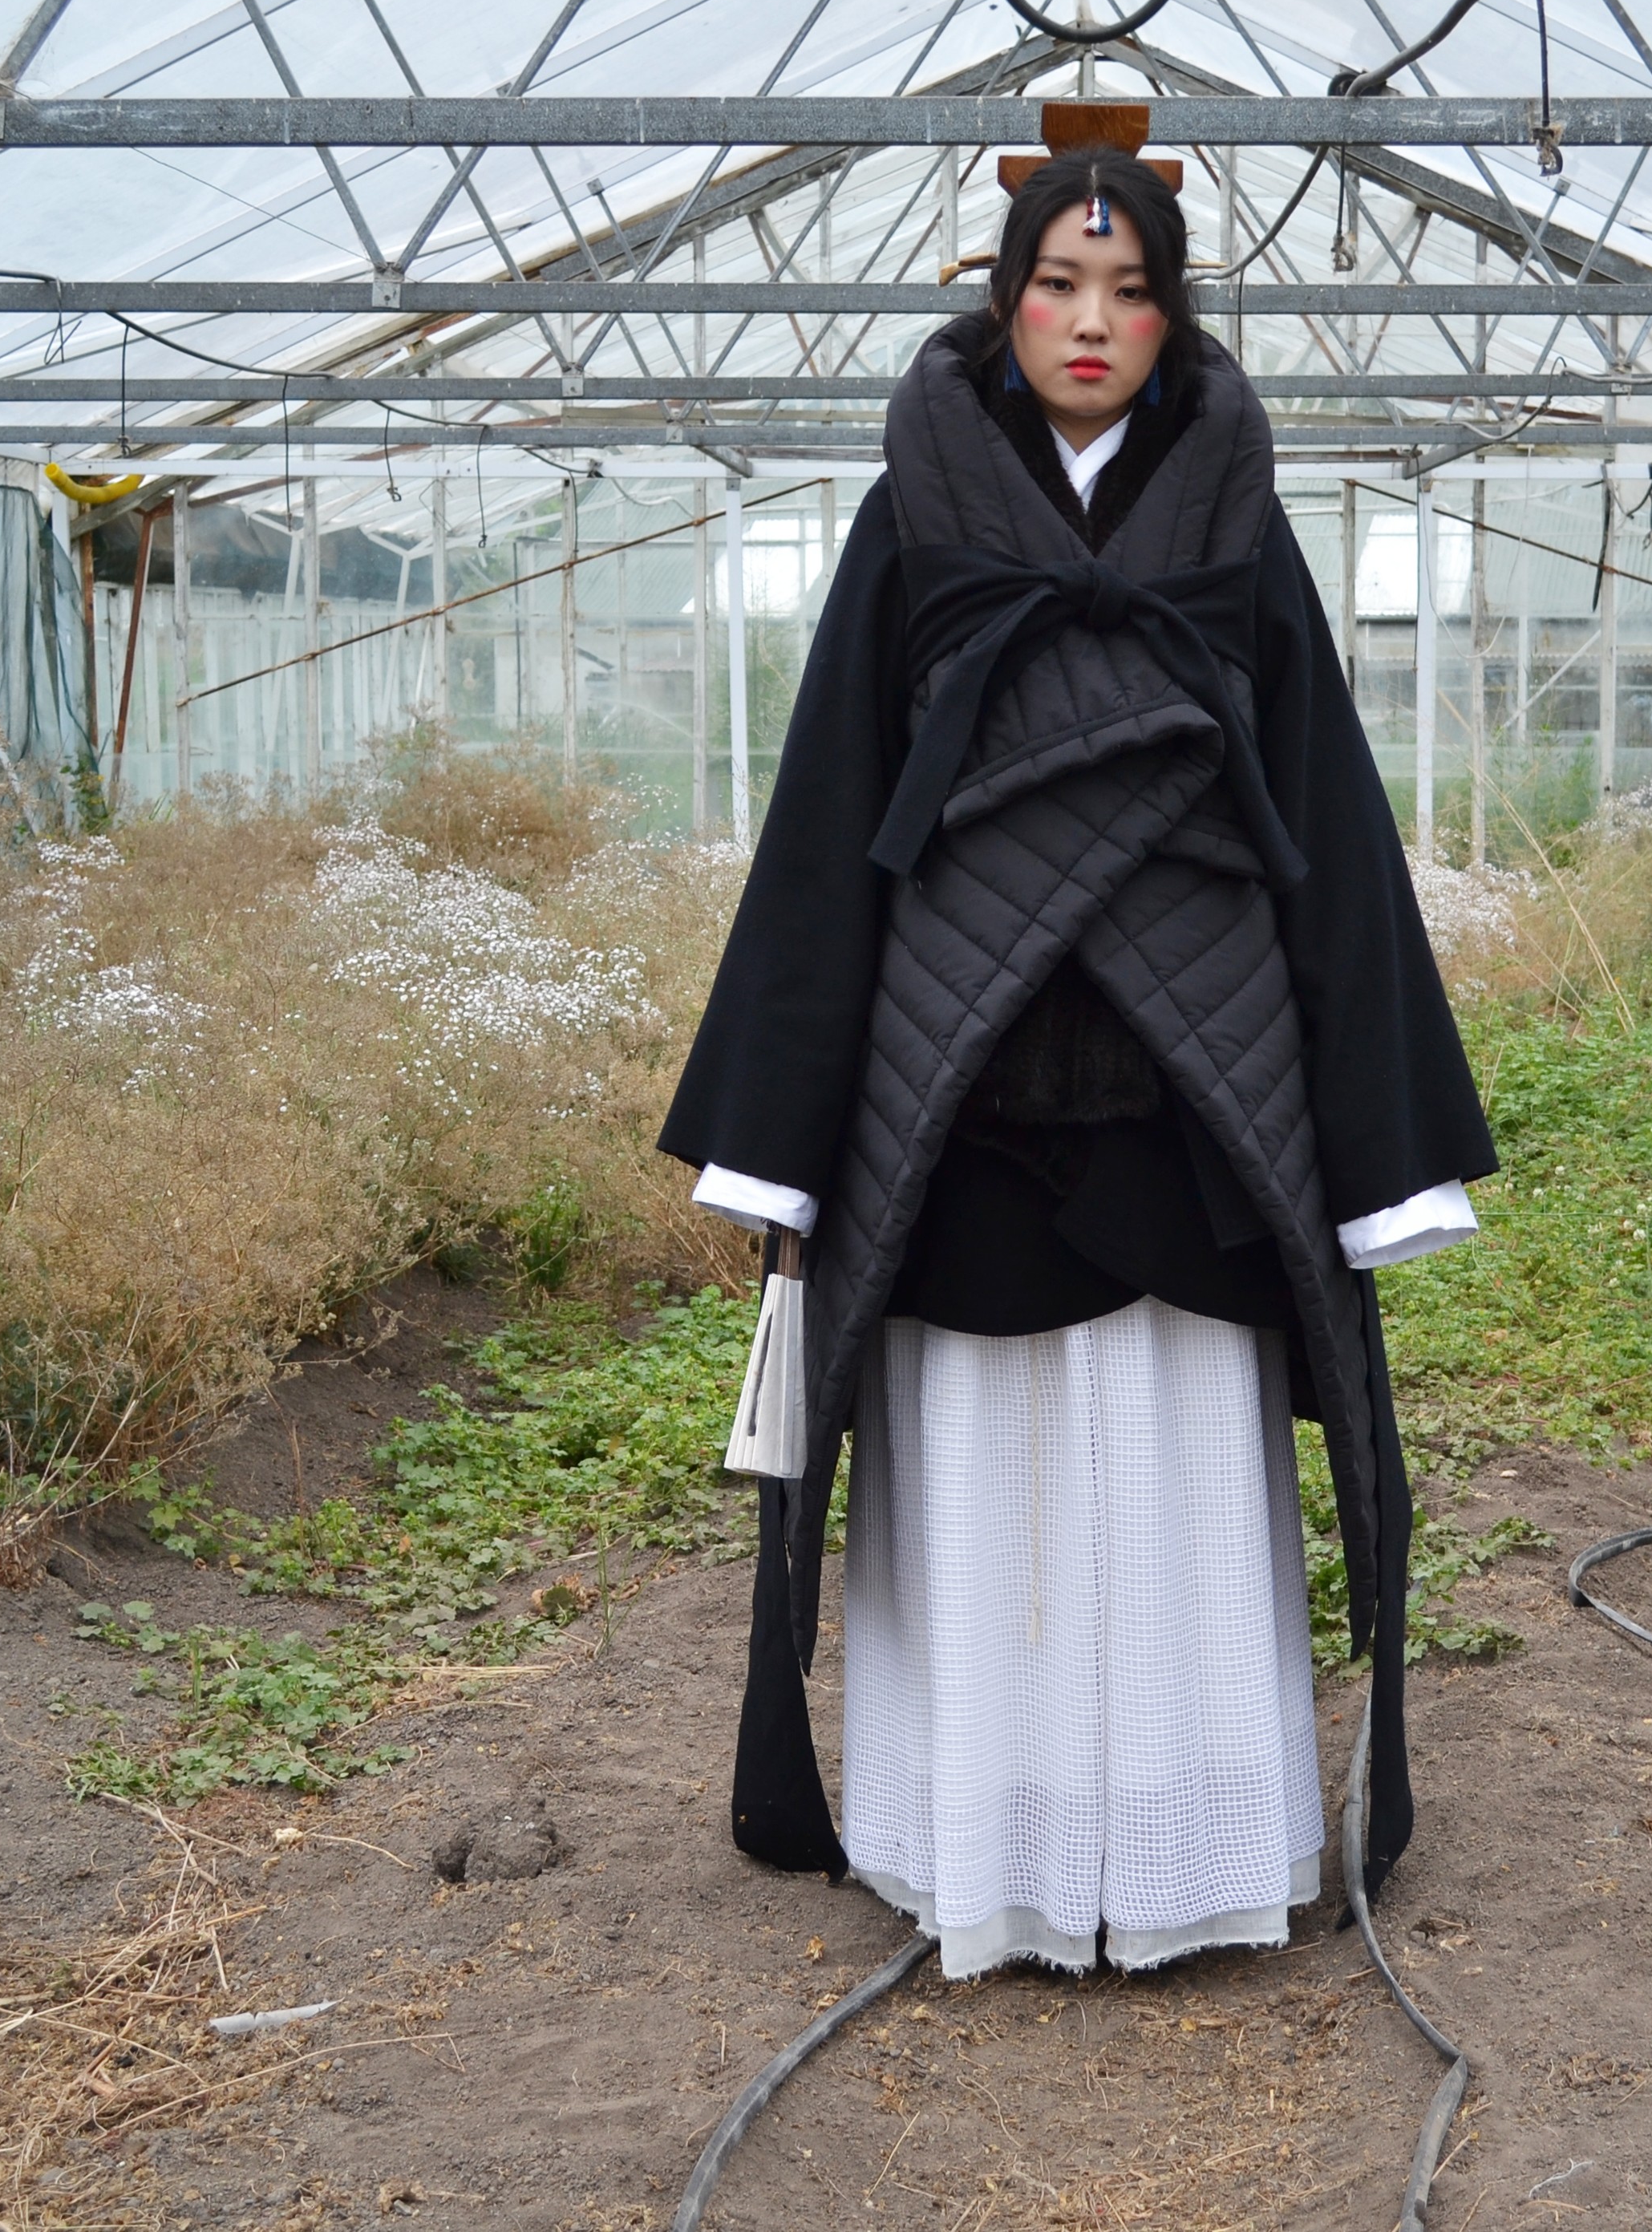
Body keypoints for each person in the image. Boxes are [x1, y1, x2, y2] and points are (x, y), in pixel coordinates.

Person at [660, 144, 1494, 1979]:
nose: (1091, 324)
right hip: (960, 1099)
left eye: (1128, 293)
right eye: (1057, 286)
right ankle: (990, 1849)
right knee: (977, 1497)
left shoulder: (1238, 523)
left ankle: (1192, 1848)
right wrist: (779, 1135)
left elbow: (1328, 825)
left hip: (1192, 1101)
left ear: (1173, 313)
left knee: (1178, 1495)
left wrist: (1381, 1145)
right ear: (1002, 297)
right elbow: (828, 817)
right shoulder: (915, 513)